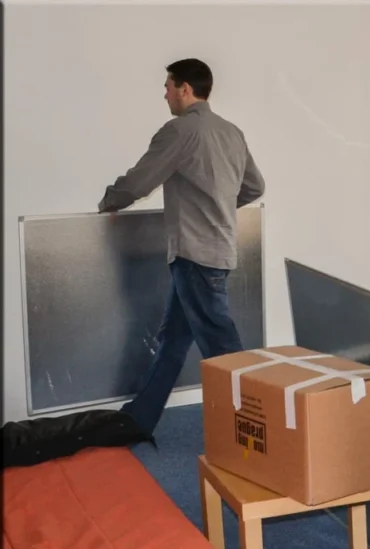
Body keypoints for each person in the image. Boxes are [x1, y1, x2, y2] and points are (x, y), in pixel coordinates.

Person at [99, 58, 265, 436]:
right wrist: (220, 204)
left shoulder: (179, 132)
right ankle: (139, 418)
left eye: (168, 86)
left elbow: (139, 181)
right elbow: (254, 187)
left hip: (195, 256)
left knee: (224, 351)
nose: (165, 94)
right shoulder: (231, 132)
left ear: (185, 89)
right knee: (173, 340)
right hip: (215, 251)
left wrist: (109, 201)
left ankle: (261, 427)